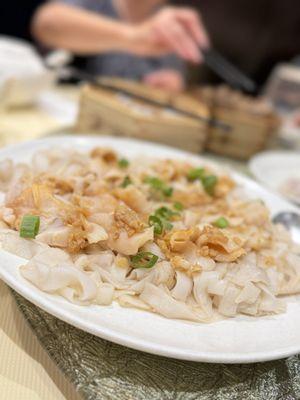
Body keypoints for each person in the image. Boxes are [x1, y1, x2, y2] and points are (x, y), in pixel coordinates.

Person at [31, 1, 209, 91]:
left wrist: (168, 86)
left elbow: (173, 81)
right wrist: (133, 36)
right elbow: (46, 22)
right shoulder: (100, 4)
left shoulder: (171, 23)